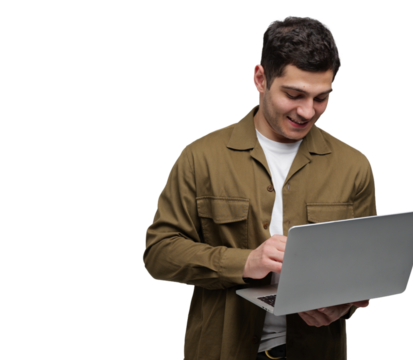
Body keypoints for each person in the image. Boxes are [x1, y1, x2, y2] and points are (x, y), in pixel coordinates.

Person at [143, 14, 375, 360]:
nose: (307, 111)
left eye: (321, 98)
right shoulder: (201, 156)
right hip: (222, 351)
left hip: (317, 351)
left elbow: (365, 267)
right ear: (260, 78)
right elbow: (159, 253)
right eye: (294, 94)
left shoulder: (353, 165)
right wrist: (244, 262)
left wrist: (343, 307)